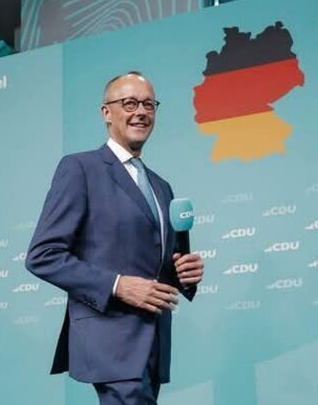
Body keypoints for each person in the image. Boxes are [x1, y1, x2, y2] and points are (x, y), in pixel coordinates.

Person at [25, 71, 204, 405]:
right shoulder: (80, 169)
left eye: (149, 104)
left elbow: (155, 265)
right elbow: (43, 255)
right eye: (130, 103)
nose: (141, 112)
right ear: (106, 112)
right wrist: (118, 285)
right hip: (111, 341)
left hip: (153, 343)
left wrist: (183, 274)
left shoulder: (161, 186)